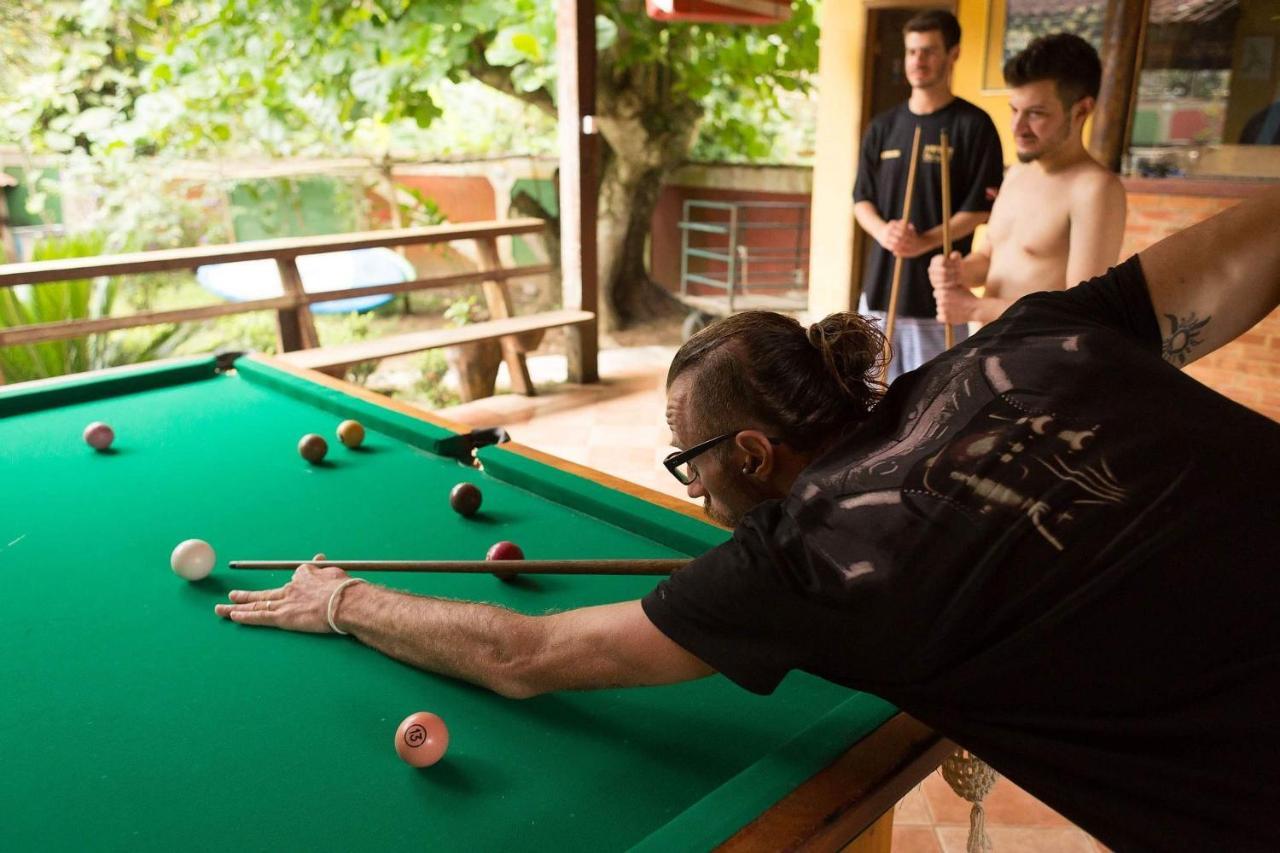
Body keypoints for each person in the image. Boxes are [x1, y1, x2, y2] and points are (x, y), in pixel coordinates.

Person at [216, 188, 1280, 850]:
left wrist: (342, 597)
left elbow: (523, 653)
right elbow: (1252, 247)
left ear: (752, 455)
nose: (693, 496)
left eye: (689, 465)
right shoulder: (1024, 341)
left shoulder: (803, 558)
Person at [928, 34, 1126, 326]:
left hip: (1040, 366)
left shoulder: (1095, 189)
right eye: (1014, 110)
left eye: (1036, 113)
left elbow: (1081, 313)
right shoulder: (1016, 174)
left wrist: (975, 309)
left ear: (1082, 110)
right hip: (988, 354)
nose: (1017, 127)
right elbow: (989, 257)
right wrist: (959, 271)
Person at [852, 9, 1005, 380]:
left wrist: (923, 242)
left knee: (931, 400)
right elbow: (861, 201)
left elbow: (981, 209)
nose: (918, 60)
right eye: (912, 51)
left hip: (937, 300)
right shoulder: (883, 126)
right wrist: (885, 233)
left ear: (953, 54)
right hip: (878, 292)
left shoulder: (974, 125)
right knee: (870, 395)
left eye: (929, 51)